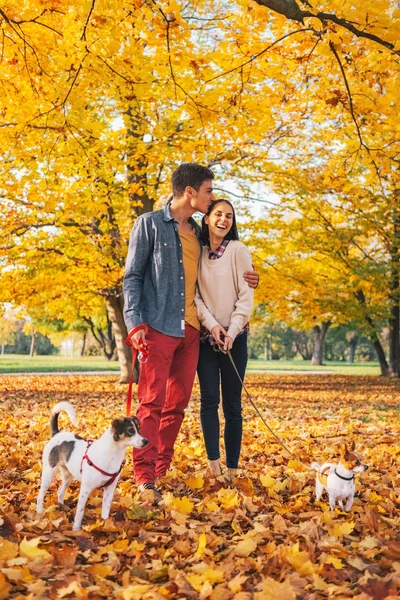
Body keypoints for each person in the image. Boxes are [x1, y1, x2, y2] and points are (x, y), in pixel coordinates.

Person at [123, 163, 258, 503]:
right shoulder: (149, 224)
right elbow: (133, 277)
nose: (212, 198)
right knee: (151, 403)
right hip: (157, 327)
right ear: (190, 193)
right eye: (209, 191)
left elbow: (218, 267)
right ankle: (145, 475)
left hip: (193, 331)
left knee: (177, 407)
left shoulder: (199, 231)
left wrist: (253, 279)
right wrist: (134, 322)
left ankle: (161, 469)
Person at [195, 199, 254, 479]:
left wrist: (230, 331)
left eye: (229, 216)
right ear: (207, 218)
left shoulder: (239, 251)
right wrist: (213, 325)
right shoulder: (197, 252)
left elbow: (246, 296)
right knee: (208, 401)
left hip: (235, 339)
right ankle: (213, 466)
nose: (223, 219)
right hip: (206, 339)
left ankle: (232, 469)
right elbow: (195, 296)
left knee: (232, 405)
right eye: (218, 214)